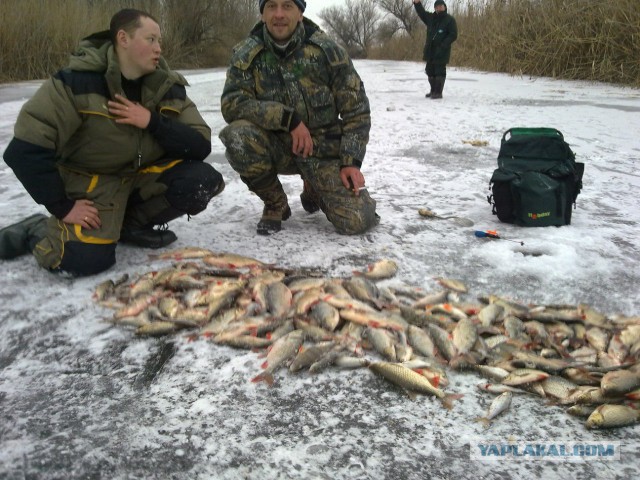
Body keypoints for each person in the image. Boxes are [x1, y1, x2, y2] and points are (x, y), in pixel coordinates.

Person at [0, 8, 224, 276]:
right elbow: (24, 150)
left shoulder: (168, 88)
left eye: (159, 41)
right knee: (83, 261)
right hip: (93, 185)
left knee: (202, 180)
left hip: (139, 179)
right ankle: (36, 229)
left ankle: (128, 226)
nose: (158, 48)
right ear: (123, 38)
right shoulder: (76, 83)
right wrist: (63, 206)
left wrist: (151, 122)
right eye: (150, 39)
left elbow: (200, 145)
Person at [219, 0, 378, 235]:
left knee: (356, 221)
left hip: (322, 152)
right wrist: (286, 119)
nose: (279, 14)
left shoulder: (328, 50)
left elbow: (357, 110)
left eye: (287, 6)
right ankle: (275, 204)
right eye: (271, 6)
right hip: (278, 147)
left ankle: (314, 188)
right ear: (263, 14)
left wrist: (350, 162)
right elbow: (232, 104)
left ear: (301, 13)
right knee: (237, 137)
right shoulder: (246, 54)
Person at [413, 0, 458, 99]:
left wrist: (443, 45)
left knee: (439, 71)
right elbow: (422, 13)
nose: (439, 8)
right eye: (437, 6)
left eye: (441, 6)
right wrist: (417, 3)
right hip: (430, 50)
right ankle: (433, 90)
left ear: (445, 7)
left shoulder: (450, 20)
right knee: (429, 71)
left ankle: (438, 92)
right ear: (435, 8)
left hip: (442, 50)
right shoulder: (431, 18)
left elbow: (453, 35)